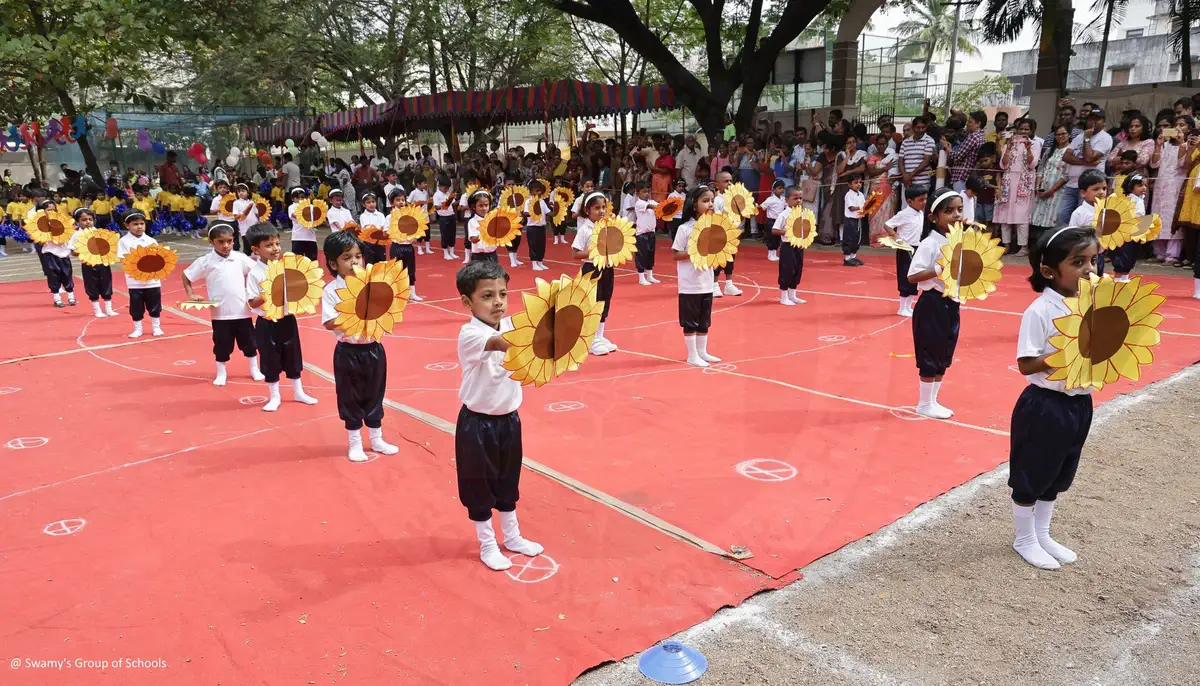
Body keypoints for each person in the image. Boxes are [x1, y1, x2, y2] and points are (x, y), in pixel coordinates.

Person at [1008, 226, 1099, 570]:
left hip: (1079, 403)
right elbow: (1025, 363)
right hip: (1045, 405)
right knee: (1032, 472)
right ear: (1048, 271)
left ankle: (1043, 533)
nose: (1089, 269)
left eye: (1093, 260)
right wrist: (1065, 352)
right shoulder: (1040, 311)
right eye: (1078, 262)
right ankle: (1024, 538)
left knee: (1060, 472)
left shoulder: (1090, 304)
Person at [453, 260, 544, 570]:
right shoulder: (471, 334)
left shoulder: (510, 324)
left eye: (503, 294)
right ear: (468, 302)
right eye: (487, 296)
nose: (498, 303)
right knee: (479, 485)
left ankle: (513, 535)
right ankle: (487, 543)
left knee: (508, 480)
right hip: (478, 425)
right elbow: (505, 344)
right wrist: (549, 332)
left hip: (508, 420)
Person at [321, 230, 399, 462]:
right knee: (350, 396)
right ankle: (355, 442)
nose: (354, 262)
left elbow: (387, 308)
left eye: (357, 256)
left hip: (373, 349)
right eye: (347, 258)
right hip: (349, 352)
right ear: (334, 264)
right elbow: (329, 322)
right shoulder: (331, 291)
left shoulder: (373, 284)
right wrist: (356, 315)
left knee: (375, 393)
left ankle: (376, 438)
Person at [244, 223, 319, 412]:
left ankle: (298, 391)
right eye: (269, 245)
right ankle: (275, 395)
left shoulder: (287, 266)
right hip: (267, 323)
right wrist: (267, 293)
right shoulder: (255, 273)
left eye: (277, 243)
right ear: (256, 249)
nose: (275, 248)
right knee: (270, 359)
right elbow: (252, 302)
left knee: (293, 355)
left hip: (287, 319)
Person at [906, 187, 964, 420]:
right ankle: (923, 403)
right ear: (933, 217)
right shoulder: (931, 243)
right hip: (932, 304)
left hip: (952, 303)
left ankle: (933, 401)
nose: (957, 215)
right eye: (949, 211)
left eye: (959, 209)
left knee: (944, 353)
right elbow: (912, 275)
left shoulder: (957, 240)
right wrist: (940, 268)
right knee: (930, 352)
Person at [182, 223, 263, 386]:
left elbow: (257, 272)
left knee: (250, 343)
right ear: (211, 242)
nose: (226, 245)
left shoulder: (240, 258)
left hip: (242, 311)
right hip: (220, 314)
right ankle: (221, 372)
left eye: (229, 241)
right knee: (222, 345)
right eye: (221, 242)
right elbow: (186, 275)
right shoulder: (206, 261)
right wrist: (191, 294)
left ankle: (254, 369)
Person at [672, 186, 723, 365]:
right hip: (690, 283)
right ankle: (692, 354)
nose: (710, 204)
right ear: (694, 204)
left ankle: (702, 351)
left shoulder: (714, 226)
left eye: (711, 200)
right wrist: (696, 251)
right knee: (690, 320)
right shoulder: (685, 229)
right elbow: (677, 254)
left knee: (704, 320)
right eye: (705, 201)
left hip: (706, 281)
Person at [572, 190, 618, 355]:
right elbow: (575, 253)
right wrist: (596, 252)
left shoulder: (607, 226)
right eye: (597, 208)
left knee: (605, 301)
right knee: (593, 302)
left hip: (606, 267)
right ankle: (590, 339)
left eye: (603, 207)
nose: (601, 211)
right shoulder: (585, 229)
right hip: (591, 269)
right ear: (587, 210)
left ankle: (599, 335)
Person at [1058, 108, 1113, 226]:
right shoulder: (1080, 136)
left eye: (1097, 119)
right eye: (1091, 119)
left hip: (1090, 186)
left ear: (1103, 122)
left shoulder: (1105, 138)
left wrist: (1087, 139)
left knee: (1084, 221)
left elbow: (1090, 157)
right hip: (1071, 184)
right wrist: (1085, 163)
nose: (1093, 122)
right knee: (1062, 217)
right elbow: (1066, 157)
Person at [994, 119, 1041, 256]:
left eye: (1027, 130)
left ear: (1031, 131)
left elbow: (1032, 165)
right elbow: (1003, 165)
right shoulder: (1010, 142)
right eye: (1022, 129)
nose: (1024, 132)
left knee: (1022, 216)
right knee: (1005, 215)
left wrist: (1028, 149)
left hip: (1024, 182)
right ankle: (1006, 245)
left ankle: (1023, 247)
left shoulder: (1035, 144)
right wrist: (1007, 148)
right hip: (1008, 181)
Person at [115, 211, 164, 339]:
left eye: (142, 223)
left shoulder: (151, 240)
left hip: (152, 280)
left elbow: (158, 258)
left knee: (154, 304)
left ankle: (156, 327)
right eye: (135, 224)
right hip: (134, 281)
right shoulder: (123, 241)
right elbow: (122, 259)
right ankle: (138, 328)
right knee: (136, 305)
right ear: (127, 225)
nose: (139, 227)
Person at [1150, 119, 1192, 266]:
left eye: (1182, 125)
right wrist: (1158, 144)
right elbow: (1154, 164)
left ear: (1189, 129)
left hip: (1176, 185)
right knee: (1158, 218)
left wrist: (1182, 144)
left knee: (1172, 219)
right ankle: (1159, 253)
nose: (1178, 127)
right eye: (1177, 125)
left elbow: (1183, 164)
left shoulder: (1189, 145)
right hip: (1161, 185)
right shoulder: (1166, 145)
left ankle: (1172, 255)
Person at [885, 187, 928, 317]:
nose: (924, 202)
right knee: (906, 277)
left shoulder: (921, 213)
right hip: (905, 248)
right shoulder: (904, 214)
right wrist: (895, 236)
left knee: (915, 277)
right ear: (910, 201)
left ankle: (909, 306)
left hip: (917, 248)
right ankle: (902, 307)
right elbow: (887, 224)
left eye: (925, 199)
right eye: (921, 200)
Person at [69, 209, 117, 317]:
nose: (88, 222)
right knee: (92, 285)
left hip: (103, 263)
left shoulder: (100, 232)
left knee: (106, 284)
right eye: (84, 220)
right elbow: (73, 251)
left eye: (90, 219)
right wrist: (84, 250)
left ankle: (108, 309)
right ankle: (97, 310)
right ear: (77, 222)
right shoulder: (77, 235)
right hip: (88, 264)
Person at [33, 199, 76, 307]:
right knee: (53, 276)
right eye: (48, 209)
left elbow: (69, 235)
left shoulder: (63, 221)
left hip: (63, 253)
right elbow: (38, 239)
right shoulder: (39, 224)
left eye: (53, 209)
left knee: (66, 274)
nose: (51, 211)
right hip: (49, 253)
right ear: (43, 211)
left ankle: (71, 296)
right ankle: (57, 298)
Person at [1031, 125, 1072, 241]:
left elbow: (1066, 174)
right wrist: (1038, 187)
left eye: (1063, 134)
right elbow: (1040, 169)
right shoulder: (1049, 151)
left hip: (1058, 191)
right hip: (1043, 189)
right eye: (1058, 134)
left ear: (1069, 135)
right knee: (1039, 220)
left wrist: (1051, 190)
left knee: (1052, 220)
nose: (1060, 136)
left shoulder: (1070, 151)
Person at [771, 184, 807, 306]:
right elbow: (774, 230)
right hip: (787, 246)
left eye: (800, 198)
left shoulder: (802, 213)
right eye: (795, 198)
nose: (798, 201)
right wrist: (787, 232)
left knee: (797, 269)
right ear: (787, 200)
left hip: (799, 246)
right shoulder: (784, 214)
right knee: (787, 269)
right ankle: (784, 296)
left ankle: (793, 294)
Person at [1069, 169, 1109, 275]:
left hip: (1099, 255)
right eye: (1096, 189)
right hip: (1082, 255)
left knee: (1097, 283)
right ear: (1083, 193)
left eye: (1104, 188)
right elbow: (1072, 236)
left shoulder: (1106, 211)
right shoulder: (1079, 213)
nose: (1101, 192)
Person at [710, 171, 742, 297]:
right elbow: (716, 216)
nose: (729, 183)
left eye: (730, 180)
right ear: (717, 185)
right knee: (718, 260)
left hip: (732, 234)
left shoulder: (735, 198)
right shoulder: (717, 200)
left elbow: (740, 216)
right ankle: (715, 285)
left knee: (730, 259)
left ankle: (729, 284)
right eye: (725, 181)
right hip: (719, 234)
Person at [1111, 174, 1148, 282]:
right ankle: (1117, 279)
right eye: (1140, 185)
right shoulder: (1129, 200)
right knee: (1122, 255)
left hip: (1135, 233)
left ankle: (1125, 277)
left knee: (1131, 255)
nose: (1144, 188)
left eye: (1145, 185)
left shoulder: (1140, 199)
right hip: (1126, 233)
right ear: (1130, 187)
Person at [632, 182, 660, 285]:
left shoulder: (652, 201)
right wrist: (661, 206)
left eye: (648, 191)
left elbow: (659, 207)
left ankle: (649, 275)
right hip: (641, 234)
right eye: (644, 192)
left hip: (651, 233)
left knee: (650, 255)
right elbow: (652, 206)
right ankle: (641, 277)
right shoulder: (639, 203)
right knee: (641, 255)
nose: (647, 194)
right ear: (637, 193)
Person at [285, 187, 320, 260]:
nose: (300, 199)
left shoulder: (311, 206)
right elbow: (294, 215)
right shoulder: (292, 207)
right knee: (297, 260)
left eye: (302, 197)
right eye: (297, 197)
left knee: (312, 260)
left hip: (311, 237)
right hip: (298, 237)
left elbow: (317, 217)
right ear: (292, 198)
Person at [466, 188, 499, 264]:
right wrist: (485, 230)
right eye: (480, 205)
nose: (484, 208)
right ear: (474, 207)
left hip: (492, 255)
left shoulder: (493, 219)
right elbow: (474, 240)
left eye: (486, 205)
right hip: (478, 257)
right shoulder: (472, 221)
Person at [523, 180, 550, 271]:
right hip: (532, 227)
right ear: (531, 192)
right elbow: (525, 212)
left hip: (541, 227)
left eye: (540, 190)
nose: (539, 192)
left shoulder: (542, 201)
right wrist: (533, 212)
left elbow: (548, 212)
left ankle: (540, 262)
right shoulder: (528, 202)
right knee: (533, 245)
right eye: (536, 190)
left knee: (541, 245)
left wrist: (557, 212)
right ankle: (534, 263)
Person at [357, 192, 388, 265]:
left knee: (381, 263)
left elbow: (383, 227)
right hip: (368, 244)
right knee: (370, 264)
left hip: (380, 243)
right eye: (368, 202)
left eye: (373, 202)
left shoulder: (380, 215)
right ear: (364, 205)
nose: (371, 204)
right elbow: (367, 228)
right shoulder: (363, 216)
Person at [761, 179, 787, 262]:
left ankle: (775, 253)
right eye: (779, 188)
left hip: (779, 222)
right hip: (771, 221)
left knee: (778, 238)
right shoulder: (770, 199)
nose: (782, 190)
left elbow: (788, 206)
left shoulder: (783, 199)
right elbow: (762, 206)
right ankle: (770, 254)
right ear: (773, 190)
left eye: (783, 188)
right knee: (771, 237)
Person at [433, 176, 458, 261]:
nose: (446, 189)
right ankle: (445, 253)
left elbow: (454, 203)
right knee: (445, 235)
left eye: (448, 187)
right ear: (440, 186)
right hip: (443, 217)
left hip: (451, 215)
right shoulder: (437, 195)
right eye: (445, 187)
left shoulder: (447, 193)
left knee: (452, 234)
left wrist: (458, 198)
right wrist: (445, 204)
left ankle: (452, 252)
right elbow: (436, 207)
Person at [407, 175, 433, 255]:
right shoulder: (413, 193)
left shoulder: (425, 192)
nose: (425, 185)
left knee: (427, 232)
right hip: (418, 216)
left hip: (425, 215)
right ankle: (419, 248)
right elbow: (408, 202)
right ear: (418, 184)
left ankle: (428, 248)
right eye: (424, 183)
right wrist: (415, 206)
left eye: (426, 183)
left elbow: (428, 201)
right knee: (419, 233)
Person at [231, 183, 259, 255]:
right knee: (247, 246)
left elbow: (257, 214)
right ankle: (247, 260)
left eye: (243, 191)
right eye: (239, 191)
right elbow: (235, 216)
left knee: (256, 244)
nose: (241, 193)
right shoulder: (236, 203)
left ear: (248, 192)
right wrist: (244, 214)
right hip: (244, 228)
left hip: (253, 226)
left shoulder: (252, 202)